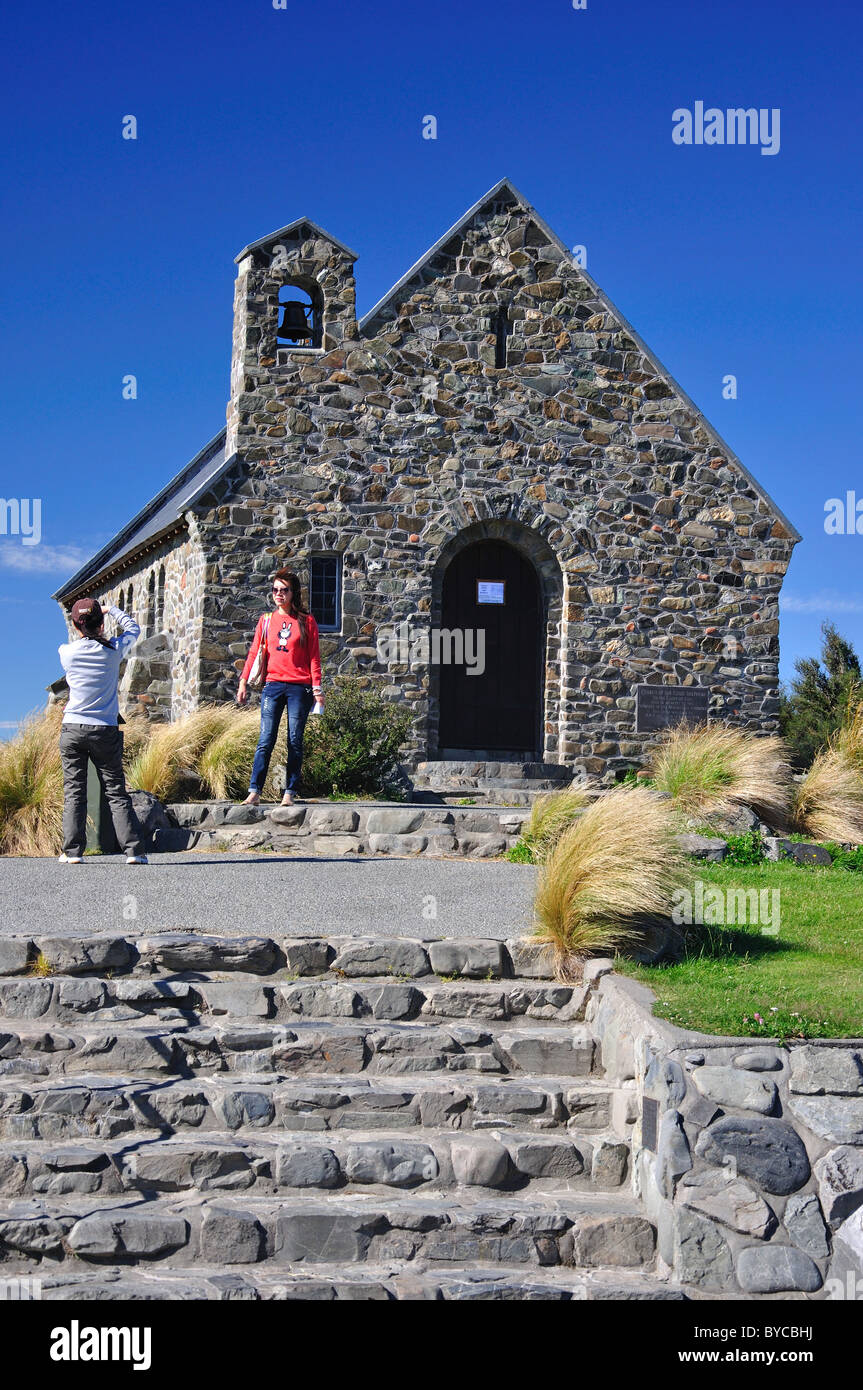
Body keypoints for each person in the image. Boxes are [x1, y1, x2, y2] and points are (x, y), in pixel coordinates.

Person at [57, 598, 147, 865]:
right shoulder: (113, 650)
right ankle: (134, 851)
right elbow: (134, 629)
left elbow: (80, 641)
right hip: (105, 728)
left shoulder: (66, 652)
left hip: (72, 727)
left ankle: (72, 852)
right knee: (115, 791)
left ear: (75, 625)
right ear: (101, 622)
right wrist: (113, 610)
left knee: (74, 791)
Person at [237, 569, 324, 806]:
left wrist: (317, 689)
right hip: (273, 686)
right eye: (275, 590)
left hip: (300, 687)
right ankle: (254, 791)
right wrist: (243, 681)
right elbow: (254, 652)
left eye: (284, 590)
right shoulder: (266, 621)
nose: (279, 594)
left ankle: (290, 792)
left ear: (293, 592)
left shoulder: (307, 621)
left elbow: (314, 658)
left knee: (294, 740)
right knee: (265, 739)